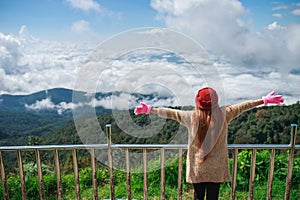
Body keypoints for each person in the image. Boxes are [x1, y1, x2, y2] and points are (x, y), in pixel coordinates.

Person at [134, 87, 284, 200]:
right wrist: (263, 101)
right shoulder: (225, 113)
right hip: (216, 168)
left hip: (197, 168)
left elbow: (170, 112)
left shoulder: (191, 116)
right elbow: (244, 106)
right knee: (213, 197)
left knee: (198, 197)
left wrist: (150, 109)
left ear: (197, 102)